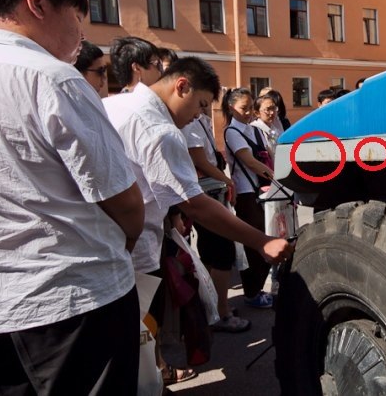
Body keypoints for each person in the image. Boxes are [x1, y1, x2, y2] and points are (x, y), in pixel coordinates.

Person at [0, 0, 145, 395]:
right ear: (37, 3)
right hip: (77, 301)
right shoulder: (53, 77)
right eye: (77, 15)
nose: (80, 33)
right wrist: (125, 241)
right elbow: (123, 199)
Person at [103, 59, 292, 356]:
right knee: (139, 338)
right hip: (132, 252)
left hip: (104, 244)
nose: (197, 117)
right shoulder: (160, 130)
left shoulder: (113, 105)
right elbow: (197, 206)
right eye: (200, 105)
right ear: (182, 86)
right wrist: (261, 241)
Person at [181, 110, 250, 332]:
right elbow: (200, 161)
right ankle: (222, 313)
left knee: (211, 254)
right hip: (206, 194)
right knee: (222, 254)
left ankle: (212, 308)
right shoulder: (190, 121)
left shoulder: (202, 119)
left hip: (210, 191)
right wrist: (228, 181)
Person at [222, 87, 277, 309]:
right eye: (243, 108)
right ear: (231, 107)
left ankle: (258, 288)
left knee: (266, 239)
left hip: (263, 191)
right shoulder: (232, 132)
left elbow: (266, 156)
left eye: (248, 107)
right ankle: (252, 293)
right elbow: (250, 161)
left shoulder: (253, 130)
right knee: (253, 246)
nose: (247, 112)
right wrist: (275, 177)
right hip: (246, 193)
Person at [252, 92, 284, 162]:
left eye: (273, 108)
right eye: (268, 109)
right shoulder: (254, 129)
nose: (272, 112)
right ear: (257, 113)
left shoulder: (275, 129)